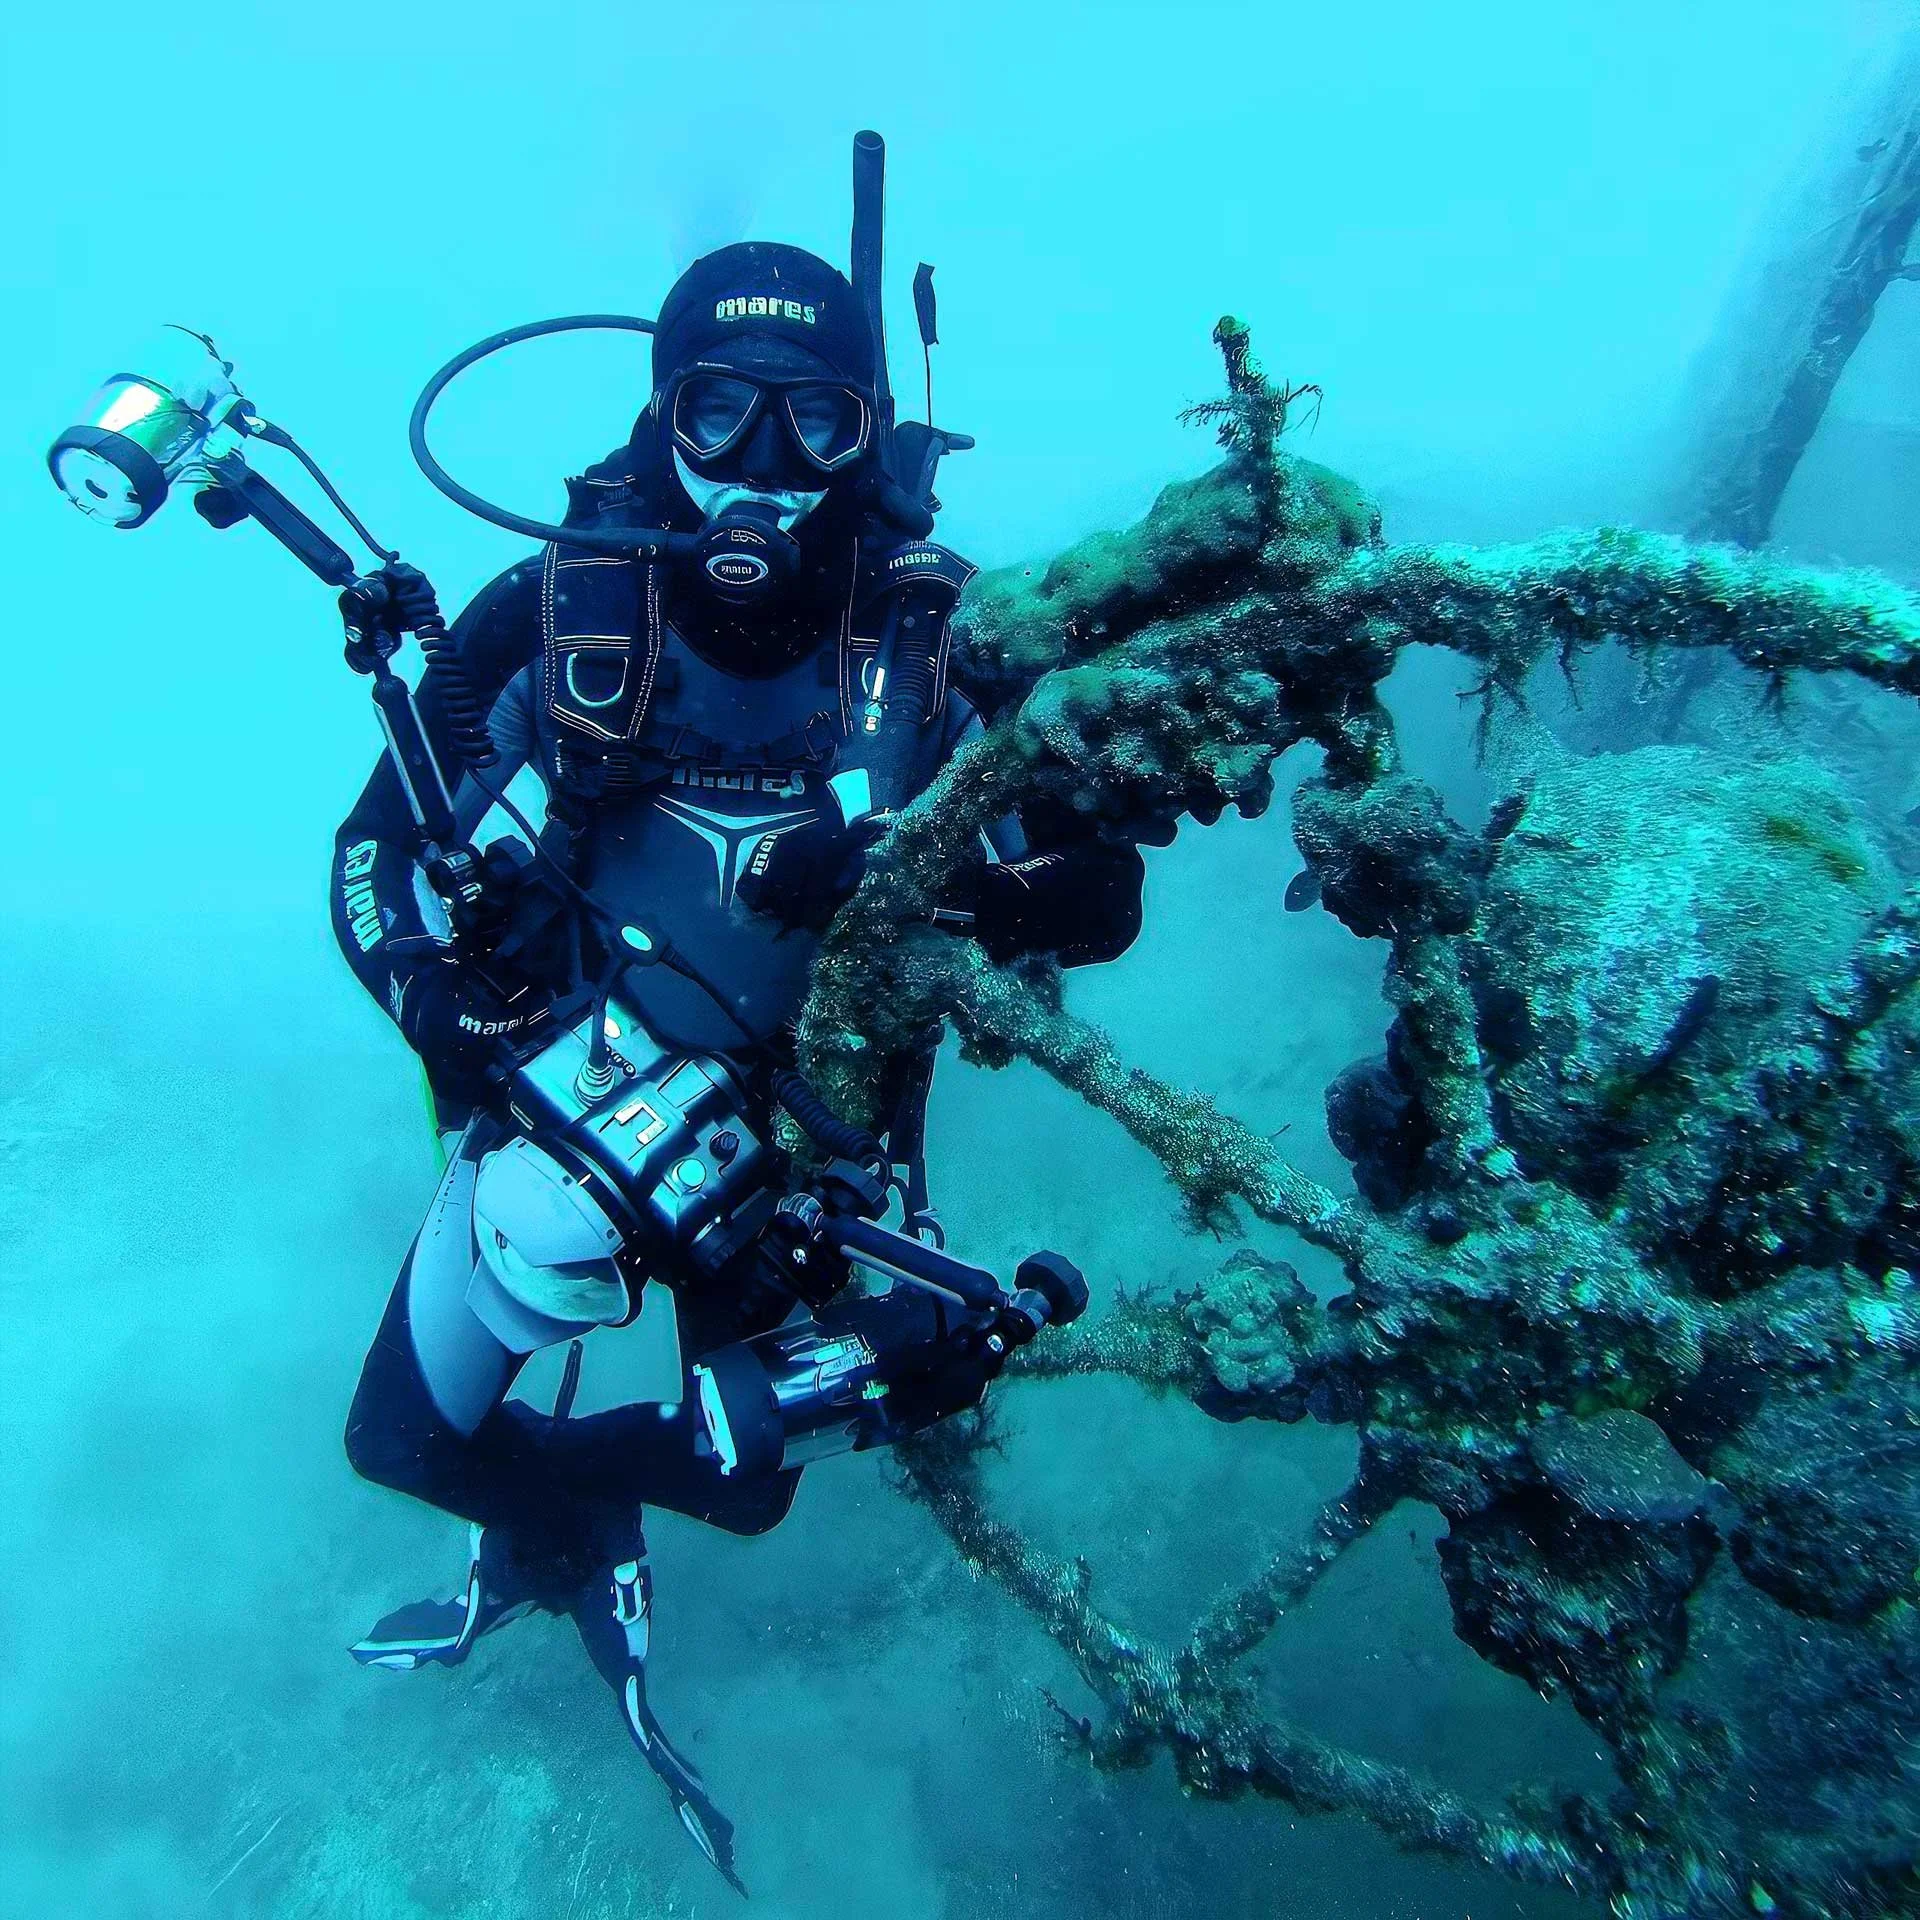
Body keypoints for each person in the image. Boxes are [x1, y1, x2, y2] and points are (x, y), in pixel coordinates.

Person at [329, 240, 1144, 1887]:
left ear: (870, 434)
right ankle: (561, 1525)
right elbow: (372, 853)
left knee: (750, 1470)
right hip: (572, 1087)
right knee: (400, 1448)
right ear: (659, 414)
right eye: (719, 413)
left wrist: (948, 879)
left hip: (812, 1133)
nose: (762, 472)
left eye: (814, 427)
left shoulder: (950, 639)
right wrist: (443, 1008)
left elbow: (1103, 897)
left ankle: (593, 1506)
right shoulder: (561, 607)